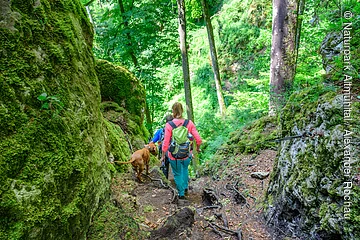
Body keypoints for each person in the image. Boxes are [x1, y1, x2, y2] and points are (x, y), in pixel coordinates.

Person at [161, 102, 202, 200]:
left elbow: (165, 143)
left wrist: (163, 155)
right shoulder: (189, 123)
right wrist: (197, 148)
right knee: (184, 170)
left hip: (174, 156)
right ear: (182, 110)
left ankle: (181, 193)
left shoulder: (169, 125)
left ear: (173, 112)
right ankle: (185, 187)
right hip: (186, 154)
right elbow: (199, 139)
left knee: (177, 173)